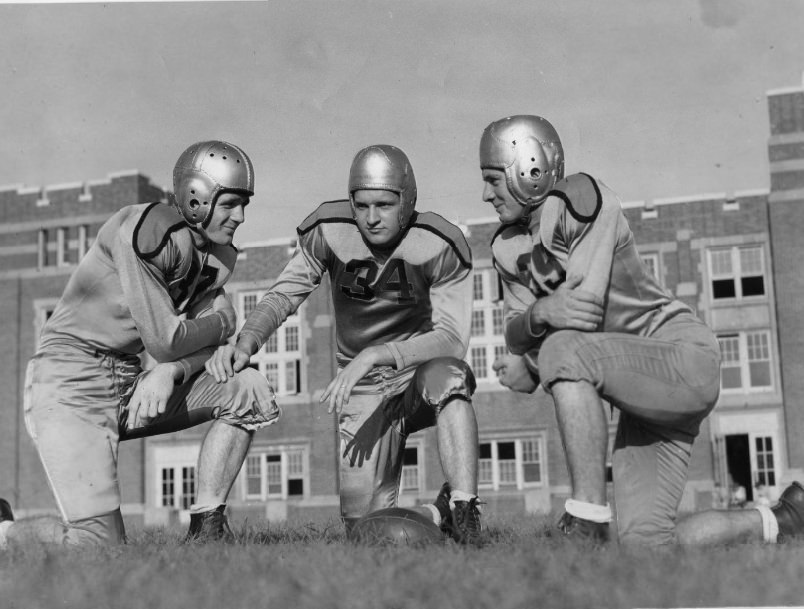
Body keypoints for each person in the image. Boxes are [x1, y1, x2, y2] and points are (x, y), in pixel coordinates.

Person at [482, 114, 804, 546]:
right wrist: (539, 318)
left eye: (493, 180)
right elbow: (515, 333)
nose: (486, 194)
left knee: (561, 349)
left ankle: (587, 518)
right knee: (646, 546)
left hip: (680, 355)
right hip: (641, 392)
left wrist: (534, 352)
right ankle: (784, 519)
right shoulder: (507, 246)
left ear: (529, 168)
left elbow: (582, 315)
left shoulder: (579, 198)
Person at [0, 140, 280, 548]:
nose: (240, 217)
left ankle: (207, 528)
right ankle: (3, 532)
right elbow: (169, 340)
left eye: (244, 205)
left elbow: (200, 348)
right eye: (230, 204)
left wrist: (173, 370)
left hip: (131, 379)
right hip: (70, 381)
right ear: (197, 199)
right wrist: (223, 323)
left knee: (246, 388)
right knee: (98, 546)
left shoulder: (214, 254)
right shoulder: (147, 230)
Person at [205, 144, 483, 544]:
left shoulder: (439, 242)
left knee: (450, 378)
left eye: (384, 205)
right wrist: (247, 341)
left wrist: (376, 354)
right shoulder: (329, 230)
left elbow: (452, 338)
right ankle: (440, 514)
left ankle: (465, 507)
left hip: (415, 376)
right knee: (365, 533)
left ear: (407, 201)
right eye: (361, 205)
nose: (371, 218)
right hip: (363, 390)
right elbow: (283, 295)